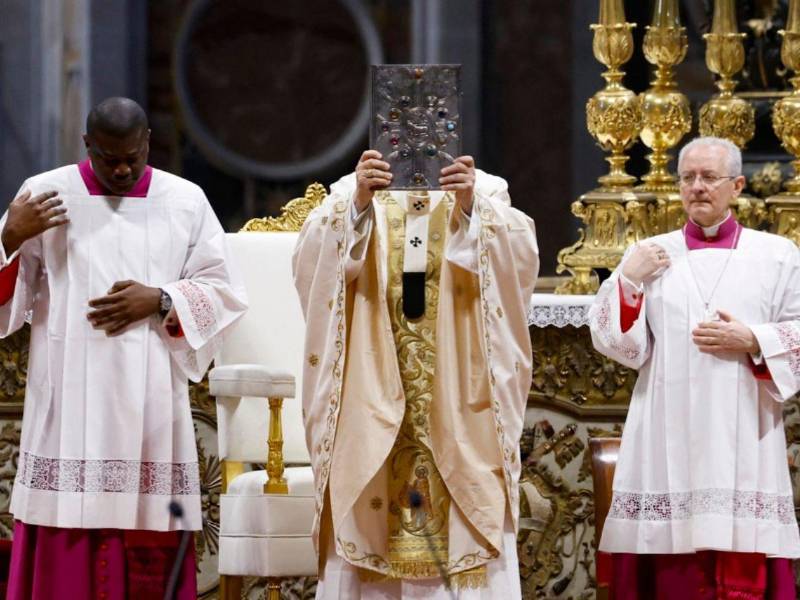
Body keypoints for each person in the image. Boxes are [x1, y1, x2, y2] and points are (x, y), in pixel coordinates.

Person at [2, 97, 247, 599]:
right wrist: (9, 236)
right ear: (87, 145)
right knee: (65, 527)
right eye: (108, 157)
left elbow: (225, 291)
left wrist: (160, 299)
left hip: (150, 400)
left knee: (146, 527)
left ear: (148, 144)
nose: (121, 168)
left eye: (132, 157)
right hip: (69, 401)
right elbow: (9, 295)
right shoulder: (46, 193)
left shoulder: (185, 200)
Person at [293, 149, 539, 599]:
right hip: (371, 389)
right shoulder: (351, 191)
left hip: (456, 399)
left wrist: (470, 209)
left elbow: (518, 262)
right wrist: (359, 208)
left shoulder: (483, 188)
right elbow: (312, 269)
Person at [589, 136, 800, 599]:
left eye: (709, 177)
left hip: (745, 424)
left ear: (737, 185)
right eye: (688, 178)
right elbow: (619, 344)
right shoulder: (651, 253)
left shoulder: (777, 254)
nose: (697, 187)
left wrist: (755, 340)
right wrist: (627, 281)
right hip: (667, 427)